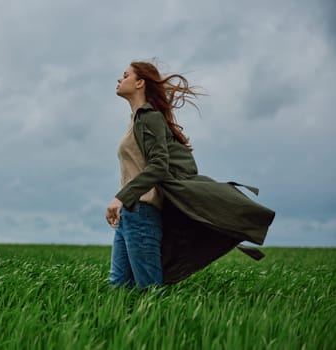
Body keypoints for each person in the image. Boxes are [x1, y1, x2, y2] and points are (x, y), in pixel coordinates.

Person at [106, 61, 275, 290]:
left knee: (149, 289)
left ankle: (160, 325)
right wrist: (123, 203)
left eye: (125, 75)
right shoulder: (135, 120)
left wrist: (120, 197)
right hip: (129, 214)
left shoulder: (150, 118)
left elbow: (159, 166)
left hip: (142, 211)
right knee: (118, 287)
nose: (119, 79)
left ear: (139, 82)